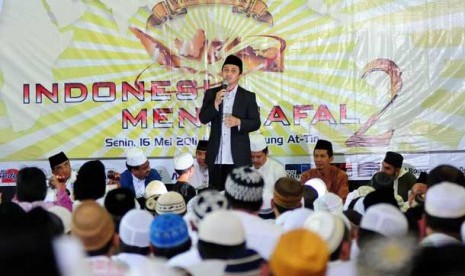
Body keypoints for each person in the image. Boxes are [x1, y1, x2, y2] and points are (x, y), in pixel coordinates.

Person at [199, 54, 261, 191]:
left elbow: (256, 123)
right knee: (216, 195)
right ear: (222, 72)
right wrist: (215, 103)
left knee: (238, 195)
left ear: (239, 75)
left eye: (233, 71)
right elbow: (203, 118)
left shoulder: (248, 97)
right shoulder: (211, 94)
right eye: (226, 70)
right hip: (216, 156)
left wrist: (239, 122)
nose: (229, 74)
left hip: (238, 157)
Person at [250, 133, 288, 218]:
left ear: (266, 153)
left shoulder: (277, 169)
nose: (255, 160)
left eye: (258, 157)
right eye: (252, 156)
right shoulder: (246, 169)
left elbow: (282, 196)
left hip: (273, 214)